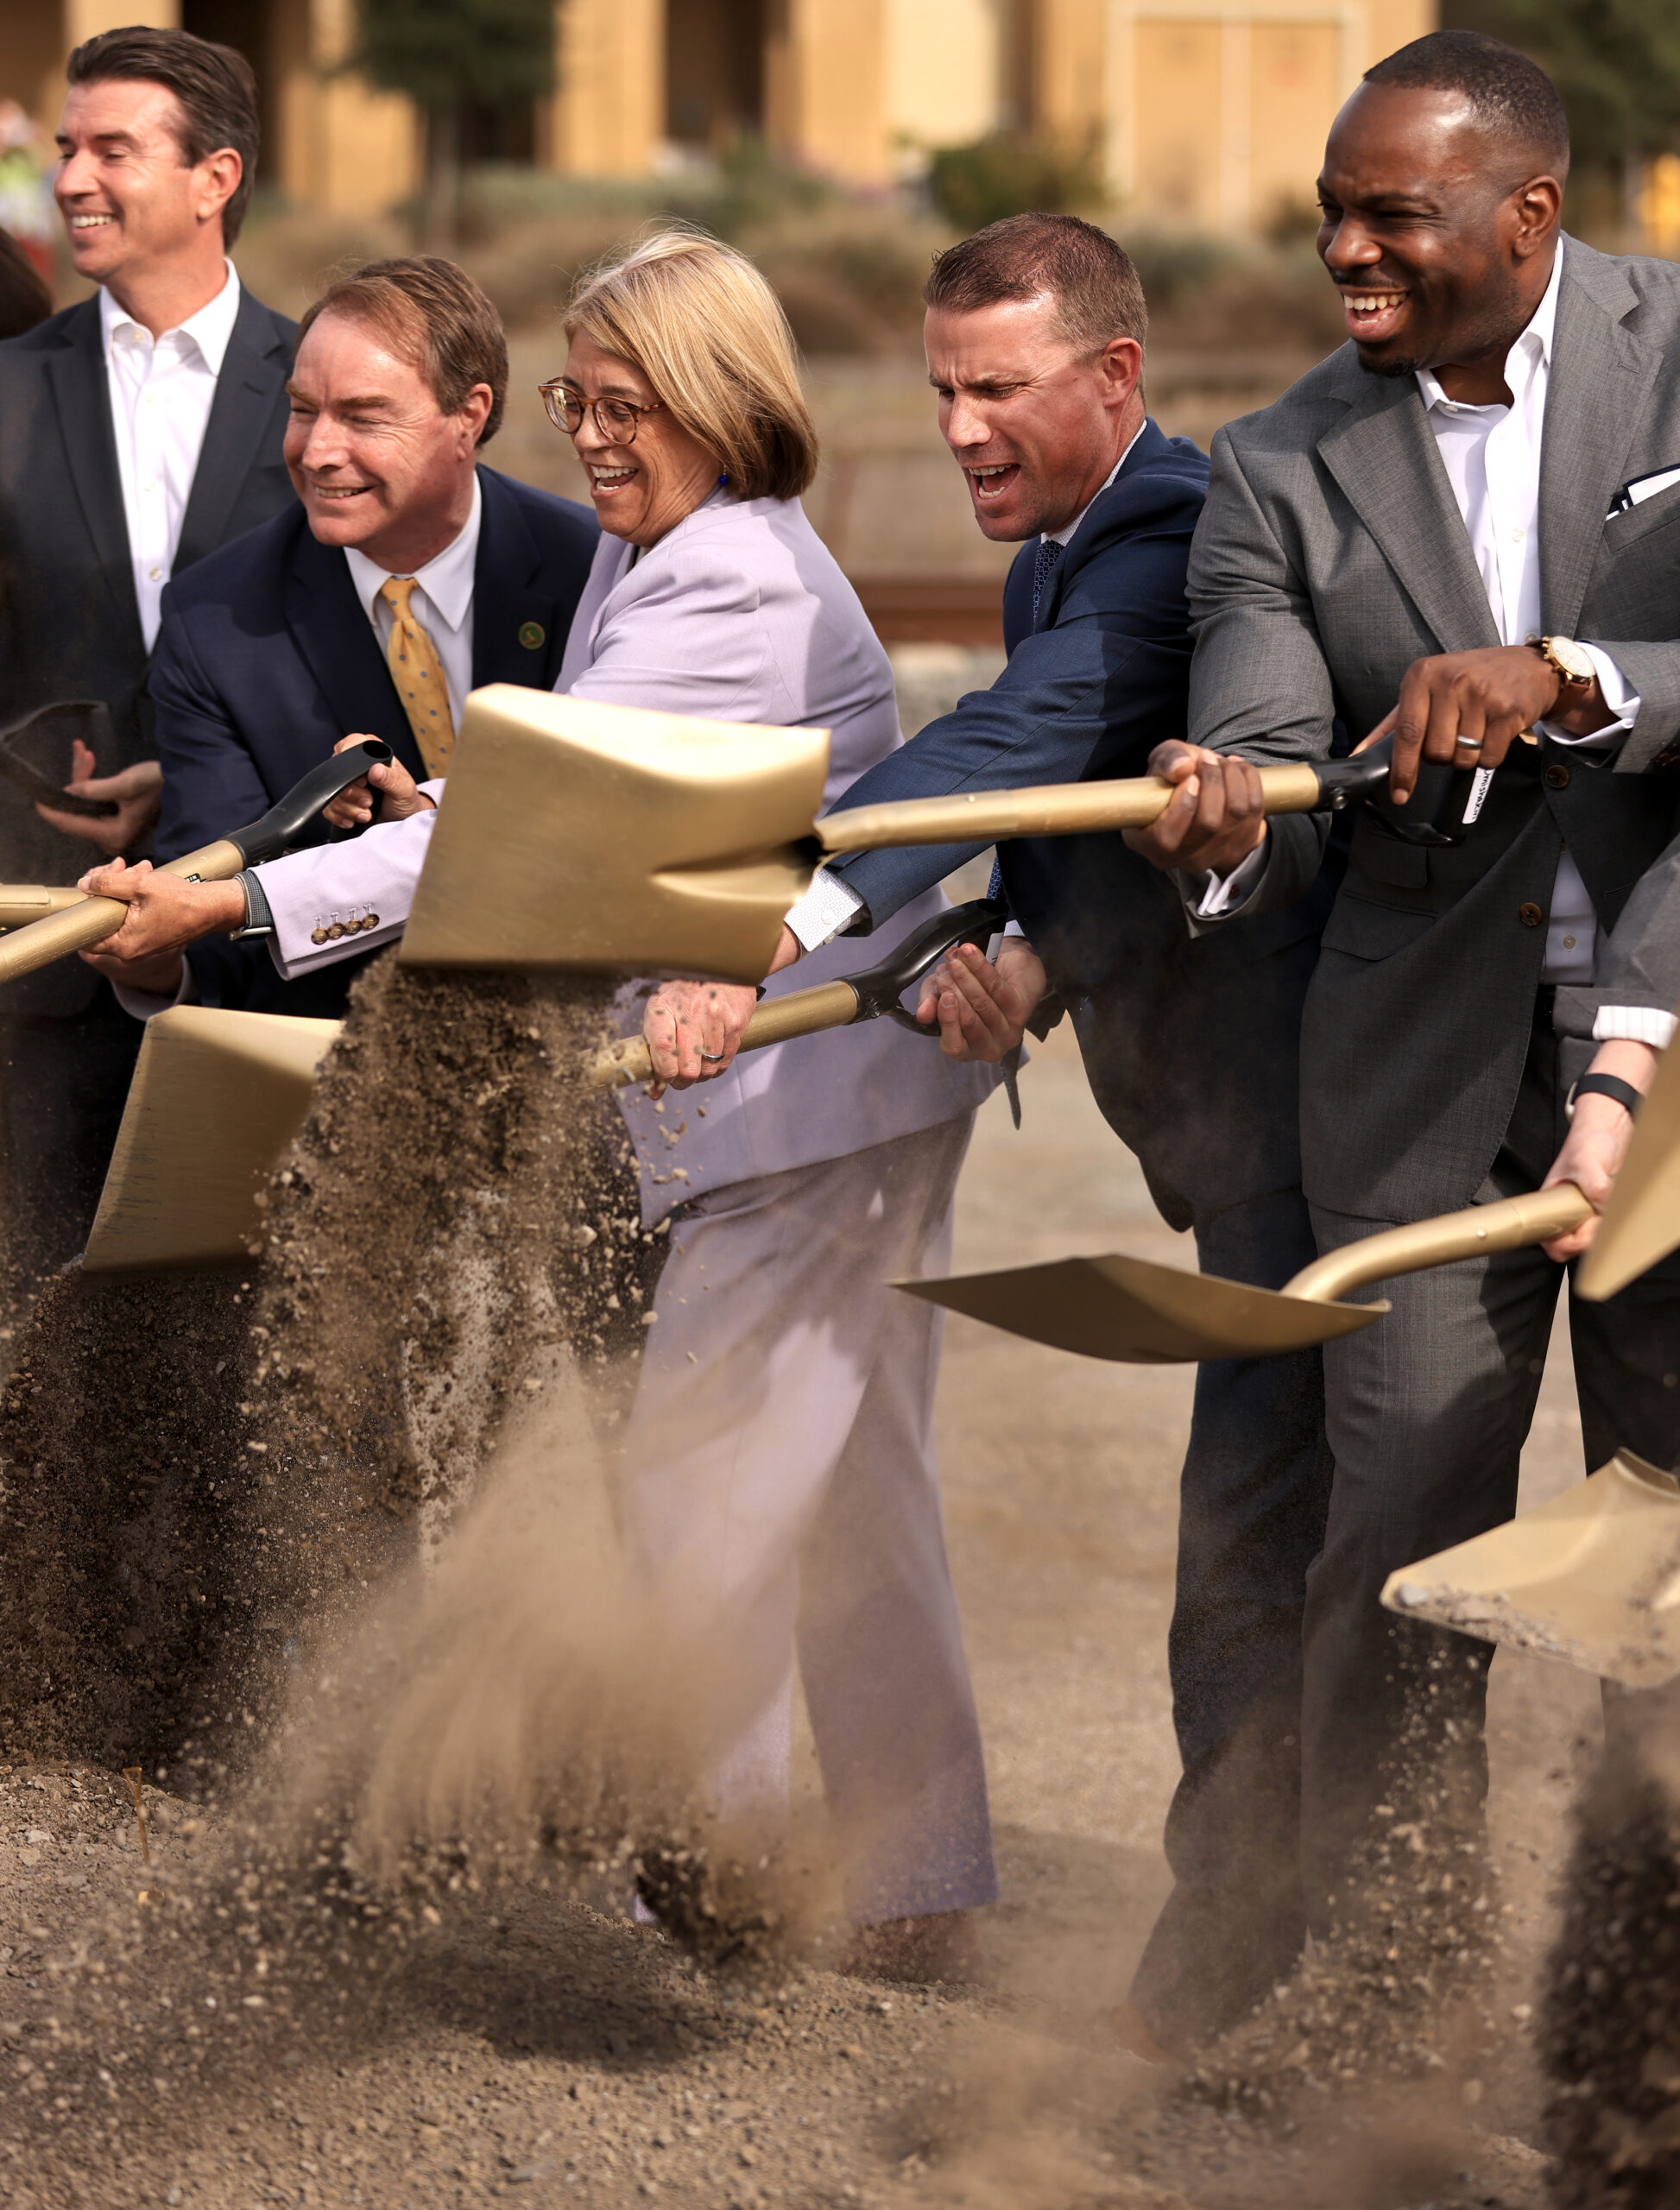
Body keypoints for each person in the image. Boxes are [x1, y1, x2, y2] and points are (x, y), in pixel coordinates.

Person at [80, 231, 1005, 1980]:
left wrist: (234, 903)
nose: (588, 430)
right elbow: (573, 779)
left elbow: (529, 838)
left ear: (720, 395)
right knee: (859, 1491)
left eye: (623, 396)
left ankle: (702, 1895)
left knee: (702, 1493)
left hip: (793, 1095)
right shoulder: (666, 547)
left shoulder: (724, 574)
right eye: (577, 396)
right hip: (807, 1098)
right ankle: (916, 1884)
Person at [675, 212, 1332, 2054]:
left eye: (995, 387)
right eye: (940, 383)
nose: (958, 424)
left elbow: (1026, 739)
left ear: (1112, 378)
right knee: (1276, 1544)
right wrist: (1016, 950)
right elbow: (1097, 824)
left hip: (1325, 1140)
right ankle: (1295, 1959)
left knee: (1263, 1550)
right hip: (1231, 1151)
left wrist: (788, 916)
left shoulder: (1152, 536)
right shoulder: (1062, 542)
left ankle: (1238, 1978)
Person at [1127, 31, 1680, 1941]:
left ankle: (1637, 1996)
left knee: (1668, 1539)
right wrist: (1221, 827)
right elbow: (1274, 756)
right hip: (1413, 1078)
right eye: (1325, 218)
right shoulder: (1273, 465)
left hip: (1670, 1048)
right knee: (1402, 1545)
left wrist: (1573, 670)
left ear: (1529, 212)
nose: (1342, 253)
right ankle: (1391, 1993)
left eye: (1391, 213)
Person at [79, 256, 597, 1022]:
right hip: (345, 1072)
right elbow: (212, 929)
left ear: (470, 414)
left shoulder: (594, 567)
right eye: (302, 409)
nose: (317, 450)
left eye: (361, 416)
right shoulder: (214, 620)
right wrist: (154, 964)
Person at [0, 26, 298, 1281]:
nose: (71, 177)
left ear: (213, 178)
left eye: (111, 149)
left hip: (268, 962)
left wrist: (209, 777)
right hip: (41, 972)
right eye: (67, 147)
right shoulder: (7, 388)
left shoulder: (324, 391)